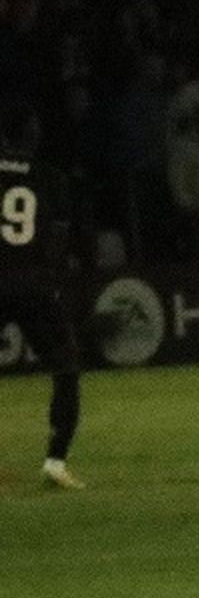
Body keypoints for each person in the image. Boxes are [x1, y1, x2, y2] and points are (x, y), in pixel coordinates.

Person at [0, 100, 86, 489]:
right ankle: (55, 460)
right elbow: (58, 241)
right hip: (32, 283)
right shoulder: (51, 178)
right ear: (33, 135)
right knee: (65, 366)